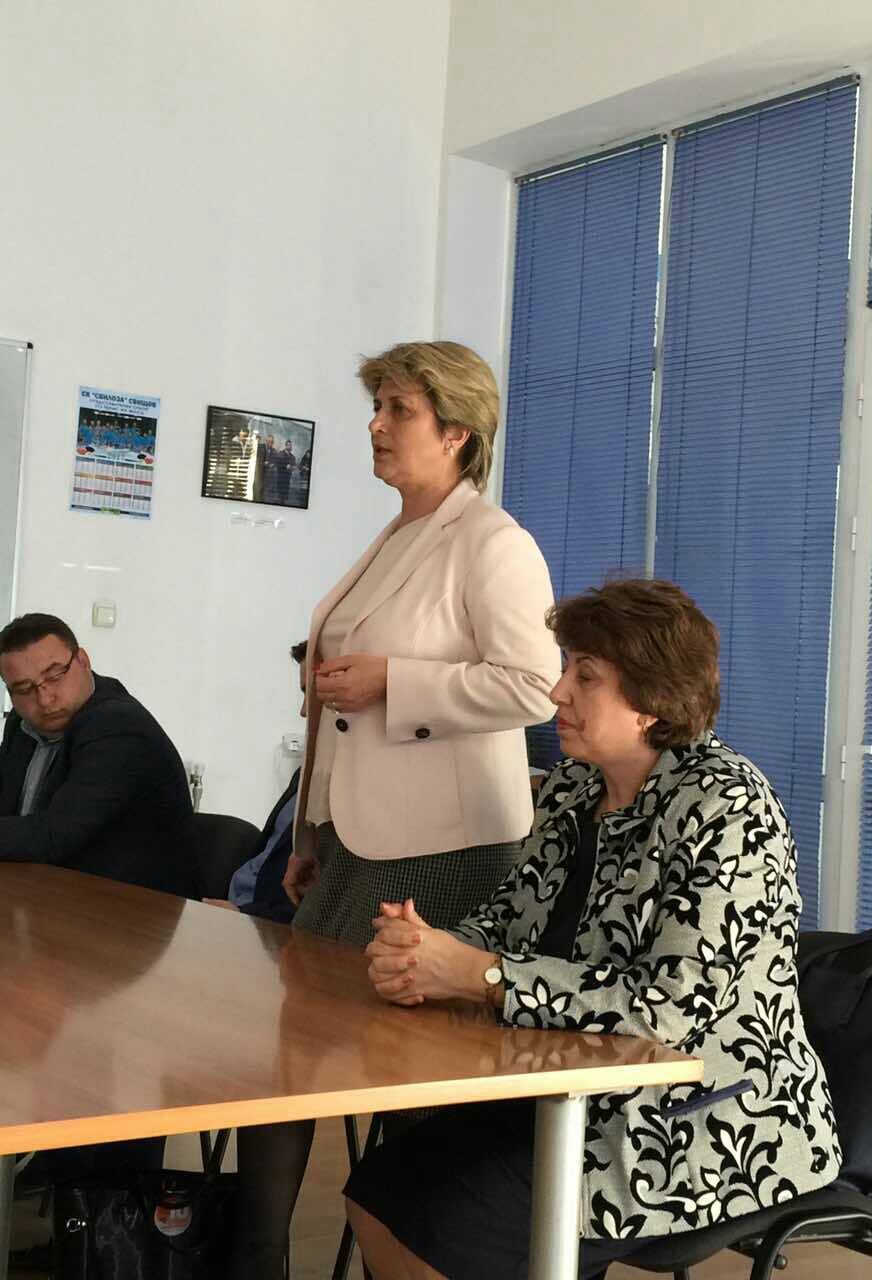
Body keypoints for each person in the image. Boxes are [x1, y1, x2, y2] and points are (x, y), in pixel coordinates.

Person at [347, 578, 842, 1280]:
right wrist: (430, 952)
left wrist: (483, 976)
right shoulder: (574, 787)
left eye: (586, 676)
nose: (557, 693)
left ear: (652, 699)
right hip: (566, 1088)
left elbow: (670, 1009)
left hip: (698, 1119)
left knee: (446, 1228)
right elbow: (509, 919)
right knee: (376, 1190)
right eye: (566, 669)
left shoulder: (730, 808)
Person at [229, 341, 559, 1280]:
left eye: (398, 409)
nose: (375, 425)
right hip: (358, 839)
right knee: (293, 1051)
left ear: (456, 431)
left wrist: (395, 682)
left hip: (445, 846)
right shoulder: (397, 534)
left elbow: (534, 685)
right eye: (376, 406)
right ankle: (261, 1257)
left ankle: (407, 1251)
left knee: (398, 1070)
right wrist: (312, 831)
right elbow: (339, 699)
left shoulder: (494, 542)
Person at [0, 612, 200, 898]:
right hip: (47, 893)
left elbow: (55, 834)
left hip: (132, 908)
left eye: (55, 676)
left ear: (83, 661)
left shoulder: (118, 726)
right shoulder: (21, 723)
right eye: (24, 689)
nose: (44, 699)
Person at [203, 640, 307, 924]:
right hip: (236, 905)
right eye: (303, 693)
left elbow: (319, 902)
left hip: (261, 923)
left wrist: (246, 916)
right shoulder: (305, 773)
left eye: (312, 694)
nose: (303, 710)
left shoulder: (349, 795)